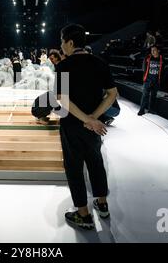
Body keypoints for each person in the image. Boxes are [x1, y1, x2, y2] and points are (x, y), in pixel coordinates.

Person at [55, 24, 118, 230]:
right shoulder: (99, 62)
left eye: (62, 42)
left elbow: (62, 100)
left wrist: (86, 119)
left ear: (70, 42)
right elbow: (112, 94)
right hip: (94, 127)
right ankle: (102, 204)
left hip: (71, 125)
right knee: (95, 162)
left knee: (74, 168)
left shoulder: (63, 66)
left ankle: (83, 215)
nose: (61, 46)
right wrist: (94, 118)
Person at [138, 45, 163, 116]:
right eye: (151, 50)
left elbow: (163, 70)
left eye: (154, 50)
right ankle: (141, 110)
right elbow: (144, 68)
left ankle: (151, 109)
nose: (152, 52)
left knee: (153, 95)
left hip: (156, 80)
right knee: (145, 95)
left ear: (158, 50)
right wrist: (145, 78)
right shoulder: (148, 57)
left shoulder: (161, 58)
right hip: (148, 79)